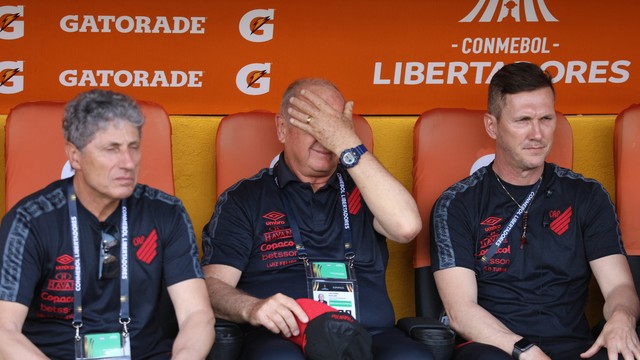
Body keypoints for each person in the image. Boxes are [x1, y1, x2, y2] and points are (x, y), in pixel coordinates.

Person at [201, 78, 434, 359]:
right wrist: (251, 308)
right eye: (313, 122)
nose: (326, 135)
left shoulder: (367, 187)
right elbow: (212, 287)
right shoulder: (245, 198)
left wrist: (347, 144)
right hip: (286, 338)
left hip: (369, 335)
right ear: (282, 128)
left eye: (334, 124)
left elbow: (406, 227)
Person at [430, 62, 640, 360]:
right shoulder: (458, 203)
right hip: (498, 349)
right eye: (523, 120)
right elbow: (460, 311)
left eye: (546, 118)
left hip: (578, 349)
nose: (537, 133)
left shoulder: (586, 195)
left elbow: (619, 285)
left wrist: (622, 317)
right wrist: (525, 351)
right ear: (492, 125)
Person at [0, 89, 215, 359]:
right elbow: (4, 331)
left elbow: (196, 315)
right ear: (75, 156)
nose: (127, 163)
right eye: (111, 149)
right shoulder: (30, 220)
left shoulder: (166, 212)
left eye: (133, 147)